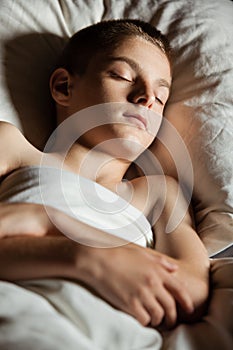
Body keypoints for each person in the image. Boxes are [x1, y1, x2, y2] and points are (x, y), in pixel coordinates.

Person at [0, 19, 209, 330]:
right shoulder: (13, 146)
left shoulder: (159, 194)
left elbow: (191, 291)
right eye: (122, 75)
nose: (146, 98)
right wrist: (84, 258)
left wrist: (43, 221)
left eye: (161, 97)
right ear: (64, 87)